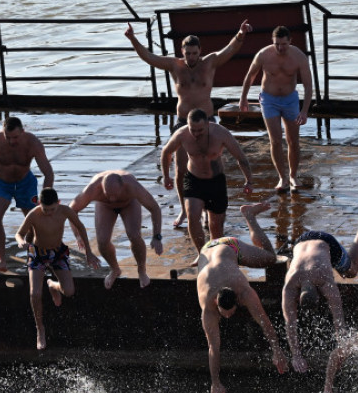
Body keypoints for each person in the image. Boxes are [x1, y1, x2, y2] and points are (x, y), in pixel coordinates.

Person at [125, 19, 252, 227]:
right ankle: (185, 210)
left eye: (194, 53)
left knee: (212, 164)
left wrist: (241, 33)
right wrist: (133, 38)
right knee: (181, 169)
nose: (191, 57)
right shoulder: (174, 65)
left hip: (208, 120)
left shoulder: (209, 62)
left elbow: (229, 50)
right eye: (188, 53)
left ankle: (208, 209)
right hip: (183, 121)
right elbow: (149, 57)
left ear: (200, 51)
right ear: (182, 52)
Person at [197, 202, 288, 393]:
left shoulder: (243, 291)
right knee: (213, 340)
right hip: (206, 250)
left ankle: (249, 215)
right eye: (224, 313)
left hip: (229, 246)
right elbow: (213, 347)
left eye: (230, 313)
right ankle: (247, 216)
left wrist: (277, 350)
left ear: (238, 301)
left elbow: (264, 320)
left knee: (271, 258)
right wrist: (215, 383)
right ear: (215, 303)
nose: (228, 317)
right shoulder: (208, 308)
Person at [282, 218, 358, 372]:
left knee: (352, 271)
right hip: (300, 242)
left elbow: (338, 319)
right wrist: (295, 355)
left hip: (326, 242)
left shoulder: (318, 280)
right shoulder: (291, 284)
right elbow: (338, 322)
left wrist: (296, 355)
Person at [15, 188, 100, 350]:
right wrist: (20, 241)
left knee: (69, 291)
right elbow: (19, 233)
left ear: (58, 203)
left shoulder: (65, 211)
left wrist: (89, 252)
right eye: (45, 209)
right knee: (35, 293)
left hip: (57, 253)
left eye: (52, 209)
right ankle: (40, 328)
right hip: (38, 254)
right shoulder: (34, 214)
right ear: (40, 204)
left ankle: (52, 285)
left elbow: (81, 227)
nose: (48, 213)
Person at [161, 108, 253, 254]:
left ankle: (215, 255)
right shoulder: (182, 134)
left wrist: (248, 180)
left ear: (208, 124)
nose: (196, 134)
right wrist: (166, 176)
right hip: (194, 180)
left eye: (200, 130)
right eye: (193, 130)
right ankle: (201, 254)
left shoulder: (221, 133)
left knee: (215, 226)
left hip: (216, 182)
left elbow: (240, 157)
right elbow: (166, 152)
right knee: (192, 216)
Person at [0, 117, 55, 271]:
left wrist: (46, 199)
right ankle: (1, 260)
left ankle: (31, 254)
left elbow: (48, 173)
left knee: (34, 222)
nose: (12, 142)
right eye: (8, 137)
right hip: (1, 183)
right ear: (3, 133)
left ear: (22, 132)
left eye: (15, 137)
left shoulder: (33, 143)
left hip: (25, 184)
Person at [238, 26, 313, 192]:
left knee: (293, 141)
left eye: (284, 44)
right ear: (273, 42)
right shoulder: (264, 55)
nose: (280, 48)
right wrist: (243, 98)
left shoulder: (299, 57)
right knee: (276, 140)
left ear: (290, 41)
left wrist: (305, 110)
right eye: (277, 44)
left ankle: (293, 175)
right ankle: (282, 177)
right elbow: (250, 76)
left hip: (290, 100)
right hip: (269, 99)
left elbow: (308, 85)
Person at [69, 170, 162, 289]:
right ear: (102, 188)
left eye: (115, 195)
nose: (112, 199)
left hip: (129, 204)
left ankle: (141, 270)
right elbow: (71, 210)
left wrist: (157, 237)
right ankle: (115, 269)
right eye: (108, 195)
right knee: (102, 241)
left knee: (134, 235)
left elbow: (155, 208)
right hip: (105, 207)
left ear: (123, 186)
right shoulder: (93, 189)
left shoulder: (133, 186)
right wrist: (77, 235)